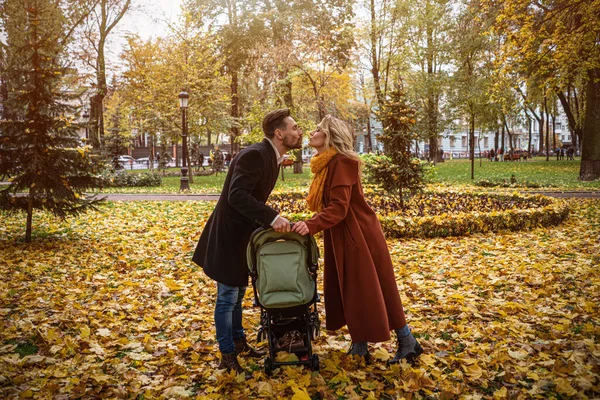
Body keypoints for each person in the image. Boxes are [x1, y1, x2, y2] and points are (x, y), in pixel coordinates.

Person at [291, 115, 423, 365]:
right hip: (346, 233)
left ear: (329, 135)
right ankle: (364, 346)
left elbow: (339, 208)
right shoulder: (327, 164)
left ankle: (406, 342)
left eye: (318, 129)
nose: (312, 132)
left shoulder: (342, 162)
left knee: (370, 288)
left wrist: (310, 225)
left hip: (358, 235)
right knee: (355, 290)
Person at [192, 108, 303, 375]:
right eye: (294, 127)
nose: (299, 132)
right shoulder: (255, 154)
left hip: (244, 236)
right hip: (230, 236)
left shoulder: (271, 156)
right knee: (227, 297)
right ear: (279, 133)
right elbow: (237, 195)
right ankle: (227, 355)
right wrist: (272, 217)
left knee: (238, 293)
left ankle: (239, 342)